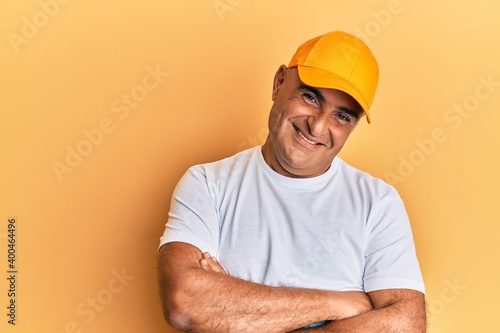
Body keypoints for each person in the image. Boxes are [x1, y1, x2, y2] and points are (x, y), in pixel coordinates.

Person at [157, 31, 426, 332]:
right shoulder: (207, 184)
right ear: (278, 83)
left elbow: (405, 325)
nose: (318, 125)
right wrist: (341, 304)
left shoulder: (378, 204)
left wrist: (238, 312)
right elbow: (186, 304)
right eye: (310, 97)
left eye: (342, 117)